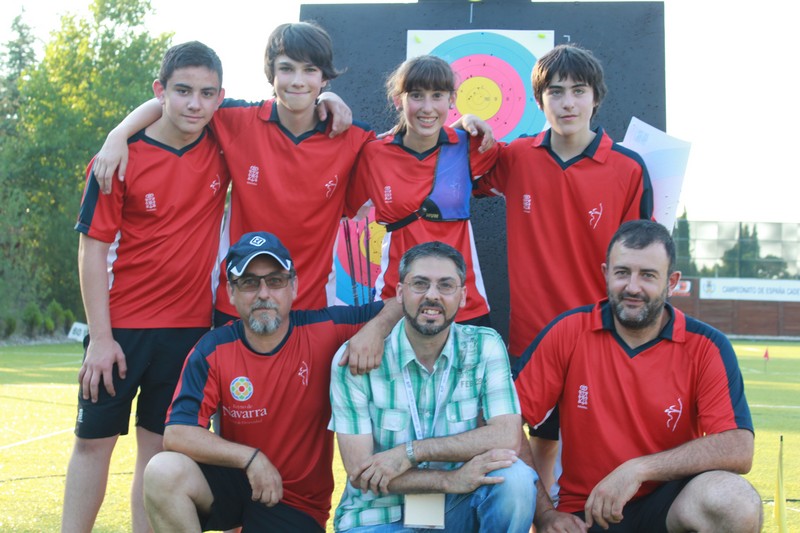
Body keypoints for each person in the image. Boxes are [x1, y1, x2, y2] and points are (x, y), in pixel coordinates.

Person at [93, 21, 374, 322]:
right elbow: (176, 102)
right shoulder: (236, 120)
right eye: (286, 69)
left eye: (309, 70)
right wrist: (118, 134)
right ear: (271, 74)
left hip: (310, 310)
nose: (297, 80)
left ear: (324, 79)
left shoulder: (354, 138)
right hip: (237, 308)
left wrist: (330, 101)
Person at [63, 41, 229, 533]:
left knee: (157, 453)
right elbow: (92, 250)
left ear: (221, 98)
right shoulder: (118, 158)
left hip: (189, 332)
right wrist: (101, 337)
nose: (194, 103)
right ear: (160, 92)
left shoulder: (223, 145)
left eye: (206, 93)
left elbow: (289, 105)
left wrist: (329, 99)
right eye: (182, 91)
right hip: (121, 330)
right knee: (93, 444)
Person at [475, 42, 655, 494]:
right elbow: (455, 169)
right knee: (535, 445)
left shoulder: (628, 168)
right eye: (556, 92)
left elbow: (642, 257)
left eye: (578, 90)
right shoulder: (517, 157)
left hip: (600, 333)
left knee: (601, 449)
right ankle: (543, 519)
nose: (568, 102)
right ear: (539, 101)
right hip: (532, 334)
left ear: (596, 97)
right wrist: (464, 126)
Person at [142, 231, 402, 532]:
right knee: (162, 471)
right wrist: (250, 458)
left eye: (275, 281)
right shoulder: (212, 349)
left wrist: (375, 328)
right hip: (236, 481)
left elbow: (400, 303)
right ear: (231, 293)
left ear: (293, 287)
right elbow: (177, 433)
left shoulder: (325, 329)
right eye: (249, 282)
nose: (263, 293)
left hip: (295, 503)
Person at [515, 219, 762, 532]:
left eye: (647, 275)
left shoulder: (706, 346)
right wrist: (545, 514)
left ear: (671, 281)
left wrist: (639, 469)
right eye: (622, 273)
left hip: (669, 505)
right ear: (606, 273)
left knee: (734, 500)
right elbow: (503, 424)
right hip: (587, 512)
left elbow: (738, 448)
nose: (632, 287)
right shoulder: (569, 331)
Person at [329, 241, 537, 532]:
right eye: (420, 284)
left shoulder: (485, 346)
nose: (432, 295)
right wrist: (448, 479)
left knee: (515, 479)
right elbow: (360, 471)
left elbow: (507, 436)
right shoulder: (357, 359)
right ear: (400, 293)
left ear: (463, 296)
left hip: (456, 507)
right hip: (380, 514)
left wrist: (412, 452)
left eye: (446, 285)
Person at [346, 55, 500, 326]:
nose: (427, 107)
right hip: (397, 302)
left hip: (464, 306)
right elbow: (340, 208)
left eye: (437, 95)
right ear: (398, 99)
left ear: (451, 99)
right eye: (417, 95)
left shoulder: (470, 145)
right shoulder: (374, 154)